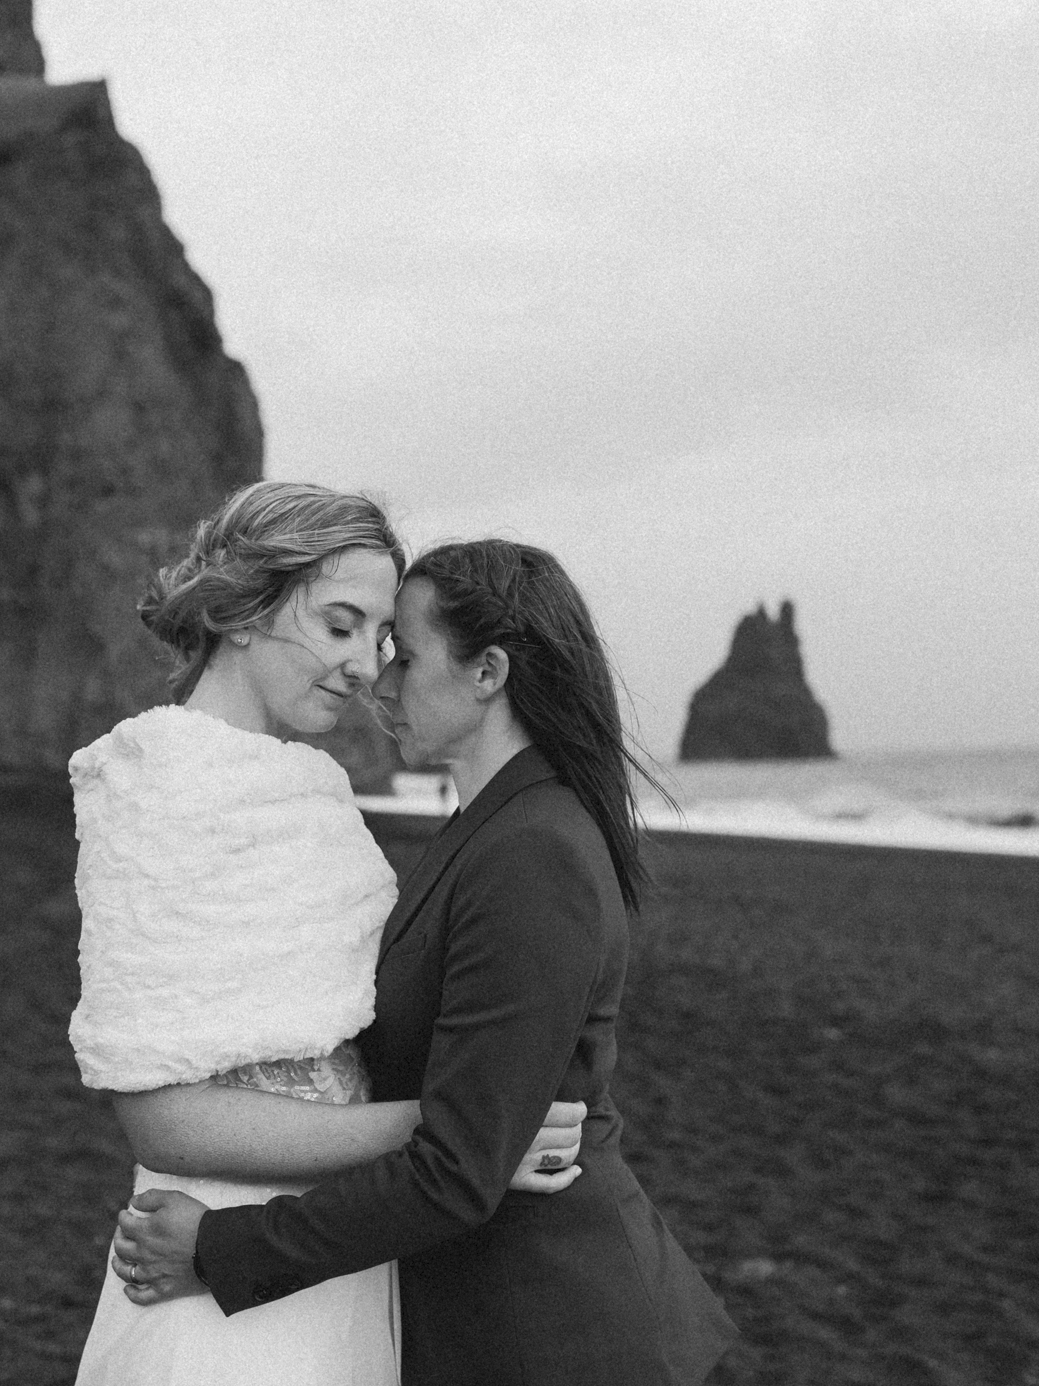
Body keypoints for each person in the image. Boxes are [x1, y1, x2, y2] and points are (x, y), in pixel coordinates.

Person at [113, 538, 741, 1385]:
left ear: (488, 673)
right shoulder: (492, 828)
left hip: (555, 1327)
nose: (381, 681)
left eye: (404, 656)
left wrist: (218, 1247)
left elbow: (455, 1173)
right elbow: (468, 1138)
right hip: (483, 1314)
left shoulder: (533, 850)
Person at [68, 490, 586, 1386]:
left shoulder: (312, 786)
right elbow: (160, 1118)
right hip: (217, 1257)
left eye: (379, 640)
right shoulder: (156, 784)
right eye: (339, 625)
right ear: (241, 608)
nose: (362, 668)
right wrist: (465, 1132)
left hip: (337, 1245)